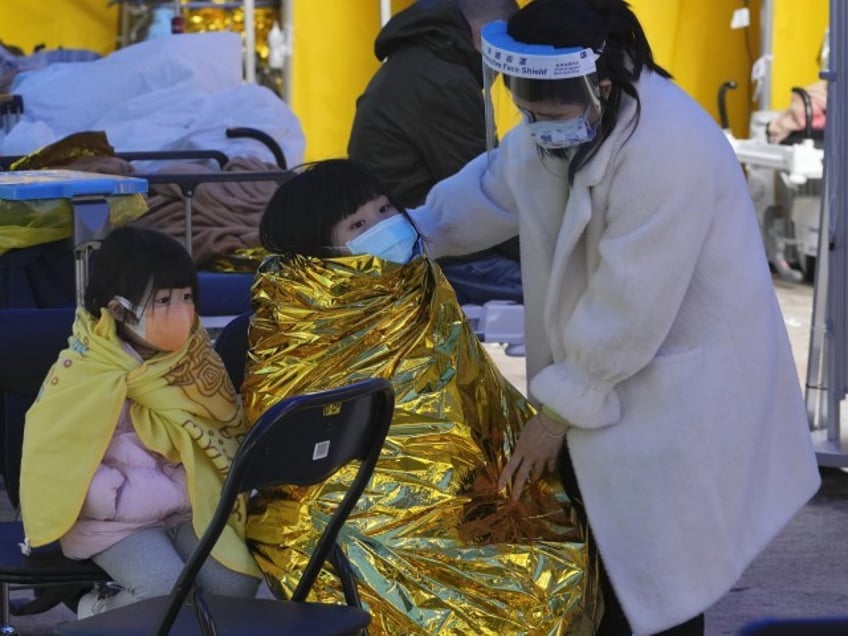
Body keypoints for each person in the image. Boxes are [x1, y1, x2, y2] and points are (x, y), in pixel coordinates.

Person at [408, 1, 822, 635]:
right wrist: (413, 232)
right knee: (617, 574)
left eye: (546, 115)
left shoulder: (669, 146)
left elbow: (631, 301)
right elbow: (495, 184)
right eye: (526, 114)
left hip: (679, 387)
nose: (535, 127)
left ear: (600, 85)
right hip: (613, 381)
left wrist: (558, 413)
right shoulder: (572, 123)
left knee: (661, 584)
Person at [242, 158, 601, 635]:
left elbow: (473, 394)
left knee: (547, 555)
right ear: (321, 249)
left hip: (462, 487)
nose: (384, 226)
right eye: (358, 224)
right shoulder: (300, 315)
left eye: (385, 208)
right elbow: (287, 441)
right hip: (349, 511)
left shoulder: (417, 283)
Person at [19, 226, 261, 618]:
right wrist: (116, 496)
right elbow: (55, 455)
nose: (180, 310)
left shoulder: (193, 359)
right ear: (118, 310)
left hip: (185, 508)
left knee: (236, 583)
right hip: (115, 521)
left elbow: (219, 428)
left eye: (186, 297)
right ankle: (96, 612)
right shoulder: (87, 370)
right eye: (163, 300)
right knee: (164, 594)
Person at [347, 0, 524, 306]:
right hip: (436, 254)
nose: (508, 63)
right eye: (510, 49)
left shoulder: (423, 63)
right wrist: (548, 255)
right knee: (566, 293)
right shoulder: (445, 82)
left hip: (406, 239)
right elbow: (486, 199)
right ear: (491, 36)